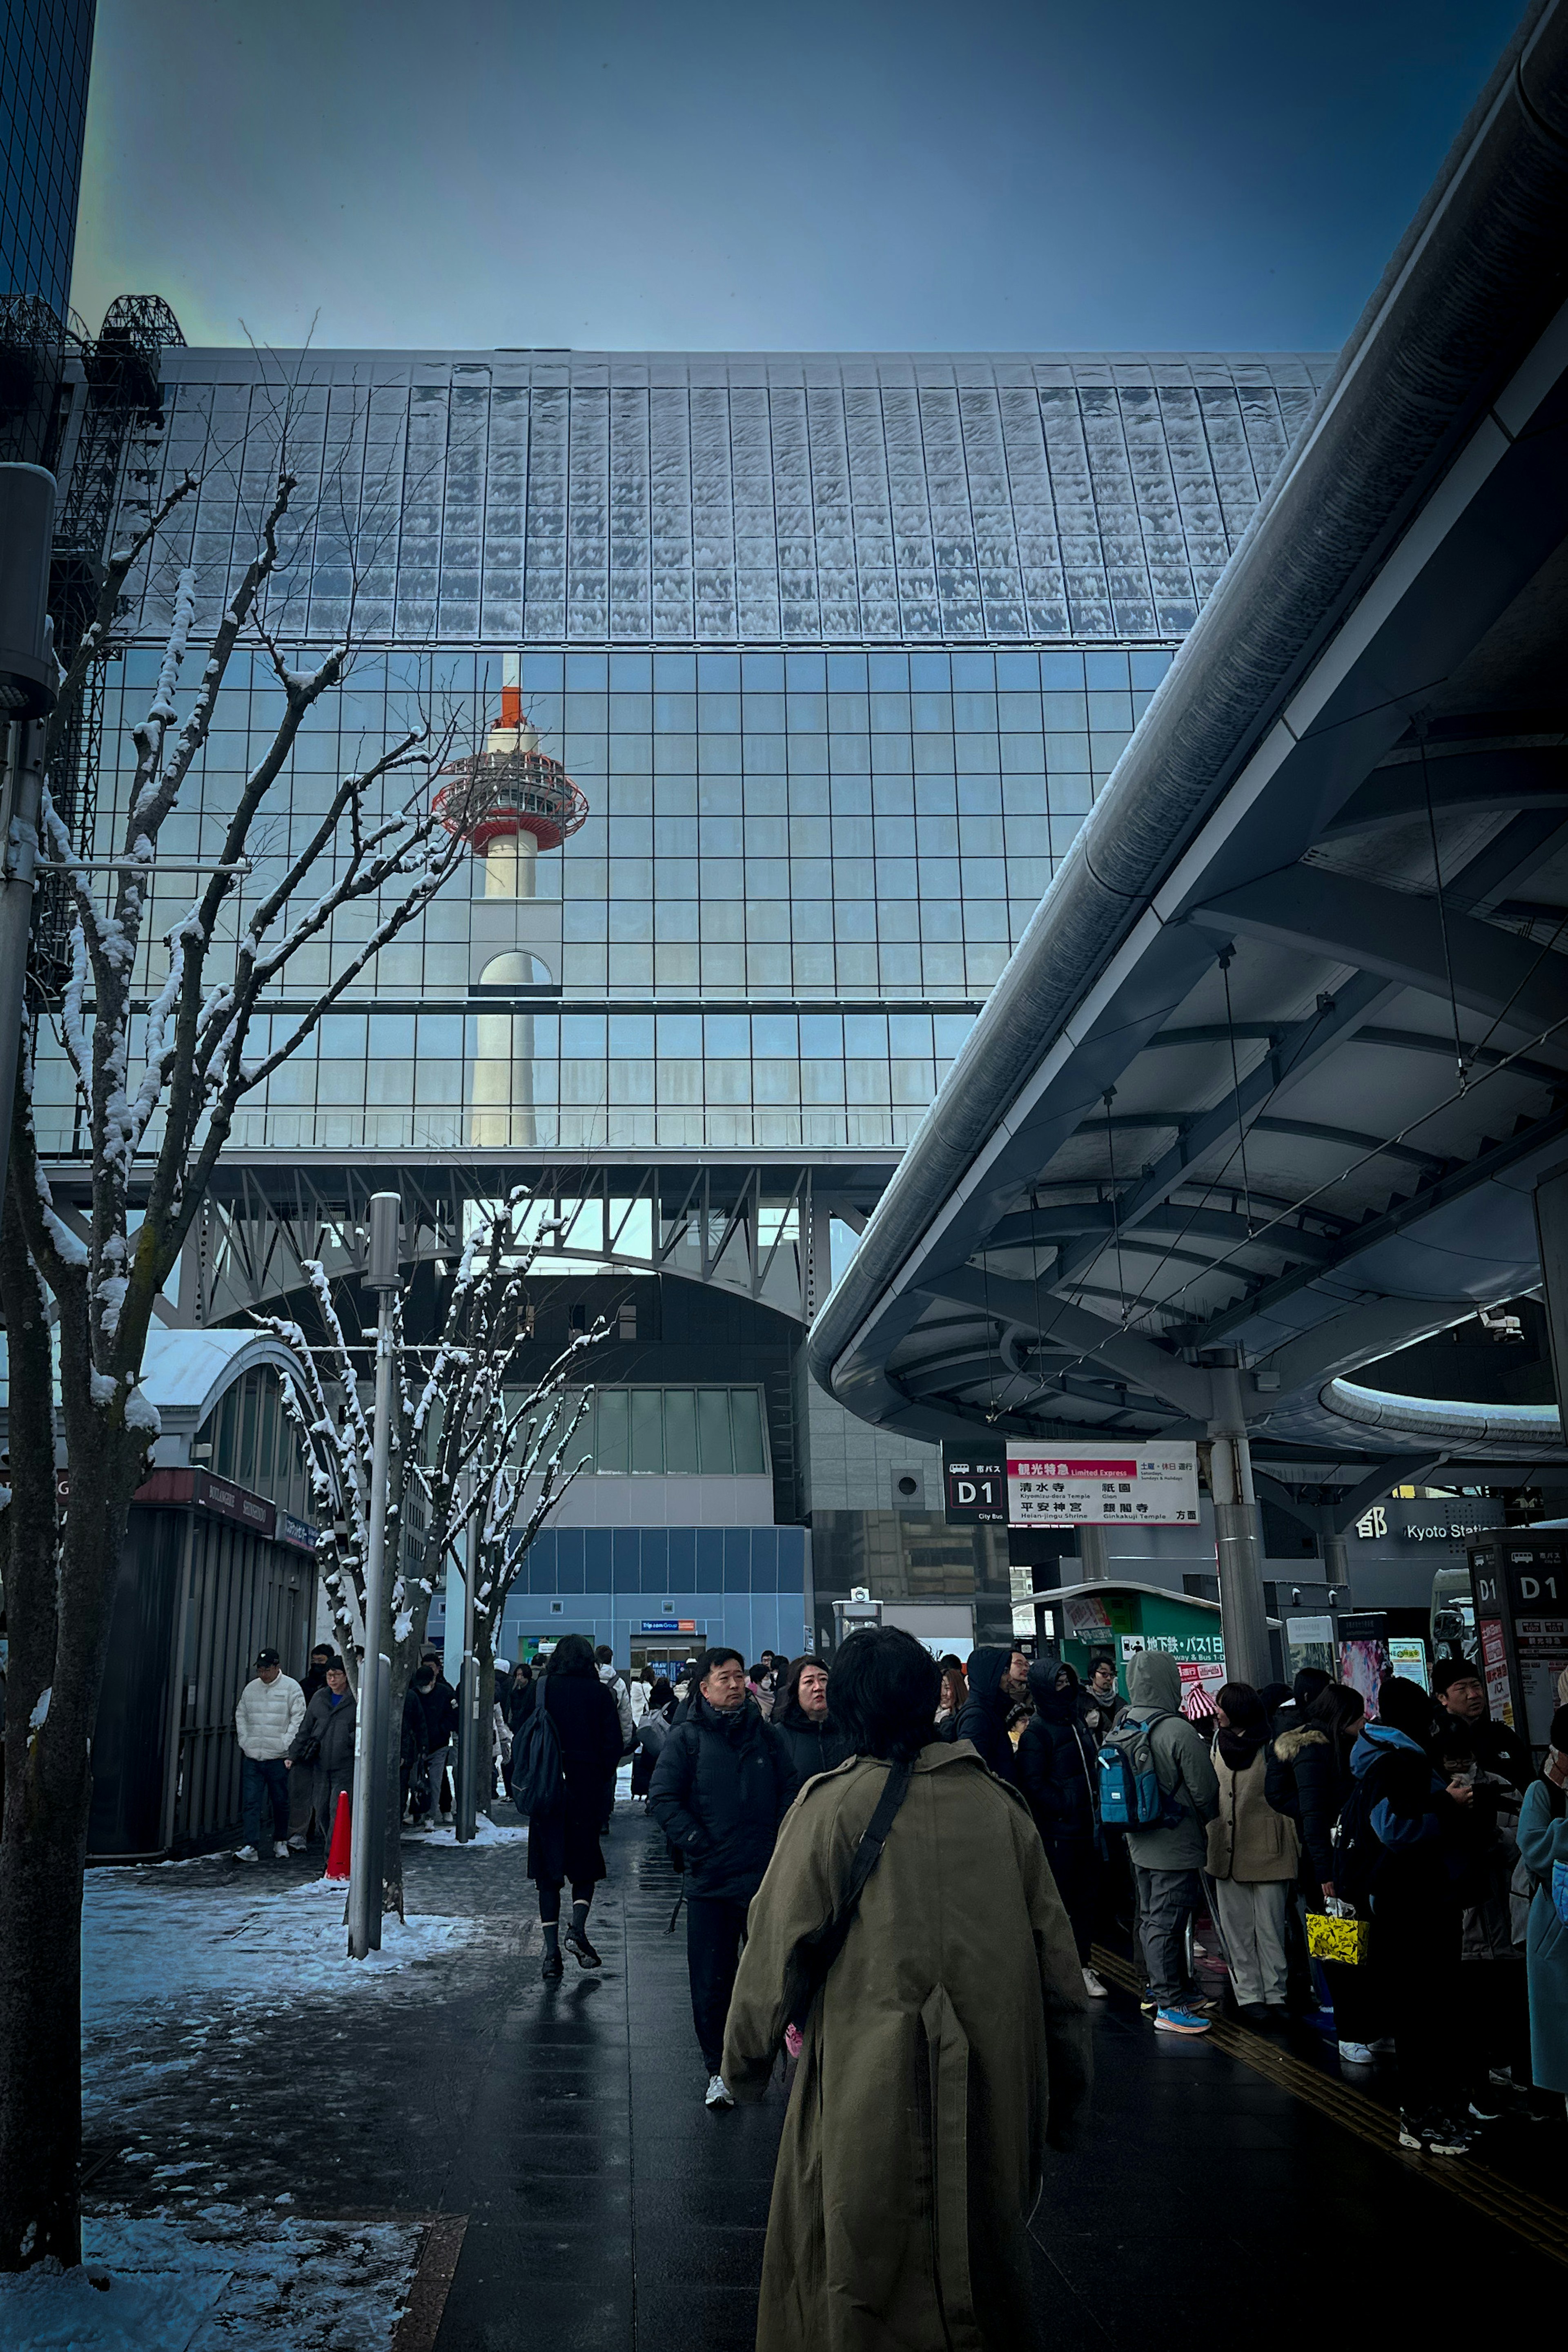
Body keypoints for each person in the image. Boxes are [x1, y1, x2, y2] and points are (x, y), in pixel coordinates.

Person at [722, 1626, 1091, 2351]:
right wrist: (1066, 2100)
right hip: (993, 2088)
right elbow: (1060, 1970)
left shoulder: (828, 1807)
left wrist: (744, 2067)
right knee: (981, 2270)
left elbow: (770, 1954)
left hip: (866, 2083)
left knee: (856, 2273)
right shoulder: (1000, 1808)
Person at [648, 1645, 799, 2107]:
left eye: (739, 1676)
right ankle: (717, 2069)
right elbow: (664, 1796)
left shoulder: (767, 1736)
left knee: (770, 1978)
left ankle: (762, 2060)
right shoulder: (688, 1736)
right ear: (705, 1687)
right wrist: (697, 1843)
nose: (735, 1685)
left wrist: (779, 1842)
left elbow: (791, 1792)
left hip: (763, 1878)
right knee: (712, 1982)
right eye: (724, 1678)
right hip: (711, 1881)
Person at [1341, 1676, 1475, 2153]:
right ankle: (1421, 2116)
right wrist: (1448, 1804)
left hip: (1412, 1898)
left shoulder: (1386, 1755)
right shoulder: (1398, 1762)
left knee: (1427, 2010)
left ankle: (1433, 2112)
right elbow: (1395, 1827)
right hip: (1414, 1901)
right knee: (1423, 2011)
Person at [1268, 1682, 1381, 2062]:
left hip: (1343, 1861)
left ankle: (1367, 2029)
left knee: (1356, 1952)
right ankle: (1352, 2034)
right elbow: (1315, 1819)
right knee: (1340, 1955)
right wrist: (1324, 1872)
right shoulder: (1316, 1751)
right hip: (1329, 1866)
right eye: (1357, 1714)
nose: (1363, 1721)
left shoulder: (1328, 1746)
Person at [1121, 1648, 1220, 2034]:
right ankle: (1171, 2004)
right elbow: (1206, 1791)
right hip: (1176, 1845)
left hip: (1137, 1840)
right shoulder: (1176, 1729)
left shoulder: (1123, 1721)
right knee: (1168, 1921)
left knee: (1151, 1918)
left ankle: (1173, 1989)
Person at [526, 1633, 624, 1980]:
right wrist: (598, 1775)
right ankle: (578, 1928)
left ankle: (551, 1954)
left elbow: (523, 1729)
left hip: (546, 1787)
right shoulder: (600, 1694)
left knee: (547, 1874)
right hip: (584, 1786)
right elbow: (615, 1744)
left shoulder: (542, 1688)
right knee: (585, 1865)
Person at [1205, 1681, 1301, 2021]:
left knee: (1271, 1927)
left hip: (1269, 1846)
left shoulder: (1273, 1743)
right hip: (1225, 1848)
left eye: (1222, 1707)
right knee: (1237, 1929)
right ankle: (1249, 1995)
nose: (1217, 1712)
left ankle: (1276, 1993)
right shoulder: (1217, 1742)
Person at [1018, 1659, 1106, 1998]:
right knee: (1063, 1902)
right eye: (1057, 1683)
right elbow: (1033, 1782)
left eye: (1068, 1681)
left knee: (1086, 1902)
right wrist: (1067, 1805)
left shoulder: (1077, 1723)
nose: (1065, 1689)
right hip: (1059, 1834)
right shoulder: (1038, 1731)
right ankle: (1065, 1968)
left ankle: (1081, 1963)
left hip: (1088, 1829)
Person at [1518, 1705, 1568, 2118]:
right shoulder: (1542, 1791)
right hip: (1555, 1921)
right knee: (1555, 2017)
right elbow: (1533, 1848)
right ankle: (1554, 2097)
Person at [234, 1649, 305, 1861]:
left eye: (266, 1669)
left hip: (279, 1756)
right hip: (253, 1756)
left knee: (281, 1801)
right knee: (251, 1802)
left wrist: (286, 1743)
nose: (262, 1674)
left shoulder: (292, 1688)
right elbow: (241, 1715)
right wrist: (245, 1742)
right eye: (260, 1670)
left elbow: (298, 1718)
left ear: (277, 1667)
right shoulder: (251, 1689)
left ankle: (280, 1841)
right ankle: (251, 1845)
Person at [1432, 1656, 1533, 1793]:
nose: (1473, 1695)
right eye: (1462, 1689)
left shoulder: (1502, 1734)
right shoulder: (1434, 1740)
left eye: (1476, 1686)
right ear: (1442, 1698)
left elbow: (1528, 1781)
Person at [289, 1656, 355, 1854]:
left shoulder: (356, 1698)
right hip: (320, 1765)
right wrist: (294, 1754)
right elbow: (306, 1728)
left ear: (346, 1676)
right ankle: (333, 1850)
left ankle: (333, 1857)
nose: (332, 1679)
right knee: (322, 1813)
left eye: (337, 1675)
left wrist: (350, 1741)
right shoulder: (320, 1697)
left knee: (338, 1811)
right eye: (329, 1675)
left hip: (345, 1766)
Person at [769, 1654, 854, 1780]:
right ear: (796, 1690)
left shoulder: (850, 1728)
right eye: (809, 1682)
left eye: (824, 1680)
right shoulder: (779, 1736)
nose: (818, 1688)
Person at [287, 1641, 336, 1848]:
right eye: (314, 1661)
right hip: (307, 1748)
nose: (316, 1665)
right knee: (301, 1793)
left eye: (321, 1662)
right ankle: (299, 1832)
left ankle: (323, 1833)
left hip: (329, 1749)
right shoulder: (304, 1686)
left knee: (325, 1795)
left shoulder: (335, 1692)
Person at [953, 1645, 1022, 1783]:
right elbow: (973, 1773)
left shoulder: (991, 1710)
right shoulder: (976, 1717)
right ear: (989, 1675)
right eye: (1004, 1672)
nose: (1010, 1678)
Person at [409, 1654, 459, 1828]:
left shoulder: (445, 1692)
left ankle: (432, 1814)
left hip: (439, 1745)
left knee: (437, 1781)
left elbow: (454, 1716)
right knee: (415, 1781)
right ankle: (417, 1812)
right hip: (417, 1745)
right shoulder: (413, 1694)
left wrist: (442, 1730)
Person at [630, 1676, 677, 1797]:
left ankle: (651, 1797)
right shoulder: (675, 1703)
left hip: (651, 1748)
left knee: (652, 1773)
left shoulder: (651, 1702)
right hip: (668, 1747)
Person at [595, 1645, 637, 1750]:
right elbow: (625, 1714)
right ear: (611, 1659)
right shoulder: (619, 1683)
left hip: (591, 1735)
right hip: (611, 1733)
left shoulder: (590, 1679)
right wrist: (626, 1740)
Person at [1081, 1654, 1123, 1743]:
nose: (1109, 1678)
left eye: (1112, 1675)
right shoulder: (1083, 1702)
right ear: (1092, 1676)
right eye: (1104, 1674)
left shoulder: (1121, 1703)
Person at [934, 1656, 967, 1728]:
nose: (943, 1694)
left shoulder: (968, 1718)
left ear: (958, 1690)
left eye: (947, 1688)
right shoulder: (932, 1716)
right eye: (940, 1688)